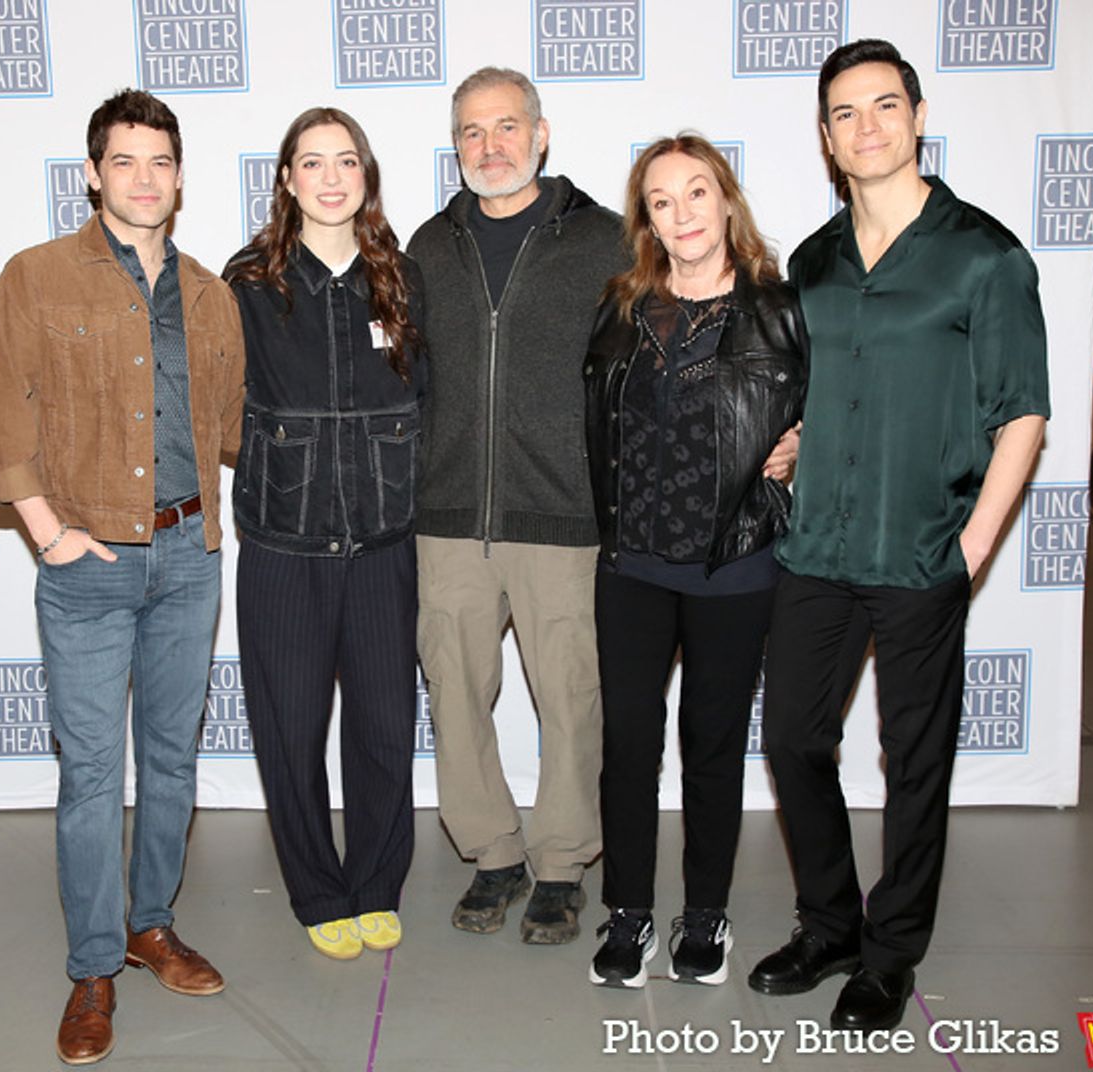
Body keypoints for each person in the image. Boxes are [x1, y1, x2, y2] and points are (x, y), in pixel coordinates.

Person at [747, 39, 1049, 1032]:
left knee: (913, 763)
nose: (865, 126)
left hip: (923, 552)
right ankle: (828, 922)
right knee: (792, 739)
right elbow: (817, 387)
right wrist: (793, 439)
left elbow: (1021, 414)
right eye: (844, 112)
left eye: (883, 105)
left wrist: (969, 553)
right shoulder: (812, 262)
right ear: (825, 137)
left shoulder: (983, 255)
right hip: (816, 550)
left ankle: (889, 952)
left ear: (916, 117)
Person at [0, 89, 246, 1065]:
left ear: (179, 175)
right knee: (91, 775)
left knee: (170, 761)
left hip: (186, 557)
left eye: (159, 161)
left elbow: (238, 428)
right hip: (85, 562)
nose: (143, 178)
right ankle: (93, 968)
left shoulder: (212, 294)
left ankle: (151, 924)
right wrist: (46, 532)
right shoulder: (36, 278)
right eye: (123, 161)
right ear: (92, 174)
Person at [406, 67, 626, 944]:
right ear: (454, 144)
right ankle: (493, 853)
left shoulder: (607, 241)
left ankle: (562, 864)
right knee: (455, 690)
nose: (488, 147)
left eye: (505, 127)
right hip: (450, 515)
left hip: (563, 514)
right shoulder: (425, 246)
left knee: (570, 695)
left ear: (541, 133)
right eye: (470, 132)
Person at [583, 136, 807, 988]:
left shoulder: (779, 309)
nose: (683, 214)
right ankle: (628, 914)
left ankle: (705, 915)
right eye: (662, 200)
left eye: (697, 193)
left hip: (736, 566)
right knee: (628, 748)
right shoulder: (620, 307)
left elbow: (838, 409)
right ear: (647, 218)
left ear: (726, 202)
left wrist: (806, 445)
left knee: (712, 748)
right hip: (632, 564)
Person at [223, 108, 425, 961]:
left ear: (366, 175)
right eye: (314, 162)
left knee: (383, 727)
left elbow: (437, 401)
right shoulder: (248, 283)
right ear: (287, 180)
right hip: (284, 546)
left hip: (384, 544)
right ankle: (316, 890)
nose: (332, 178)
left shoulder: (405, 280)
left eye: (348, 161)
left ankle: (376, 884)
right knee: (290, 730)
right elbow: (215, 402)